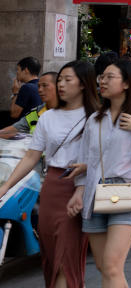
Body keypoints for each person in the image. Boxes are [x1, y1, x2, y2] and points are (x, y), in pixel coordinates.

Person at [0, 61, 98, 288]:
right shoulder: (46, 117)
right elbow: (31, 157)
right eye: (60, 79)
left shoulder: (95, 117)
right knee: (51, 255)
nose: (61, 84)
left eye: (67, 80)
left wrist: (81, 190)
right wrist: (6, 186)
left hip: (79, 187)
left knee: (66, 257)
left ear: (83, 84)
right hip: (52, 186)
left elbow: (100, 157)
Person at [67, 58, 131, 287]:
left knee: (111, 265)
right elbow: (85, 159)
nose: (102, 81)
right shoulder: (94, 120)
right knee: (104, 267)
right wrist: (79, 190)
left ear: (128, 83)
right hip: (96, 193)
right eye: (102, 77)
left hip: (128, 191)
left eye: (110, 77)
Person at [0, 71, 57, 138]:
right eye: (38, 86)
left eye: (45, 85)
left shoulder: (68, 112)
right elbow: (15, 128)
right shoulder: (37, 112)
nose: (40, 90)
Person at [9, 56, 41, 120]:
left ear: (26, 70)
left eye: (18, 69)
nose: (17, 73)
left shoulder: (27, 88)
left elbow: (14, 114)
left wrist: (15, 93)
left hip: (28, 128)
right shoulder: (41, 85)